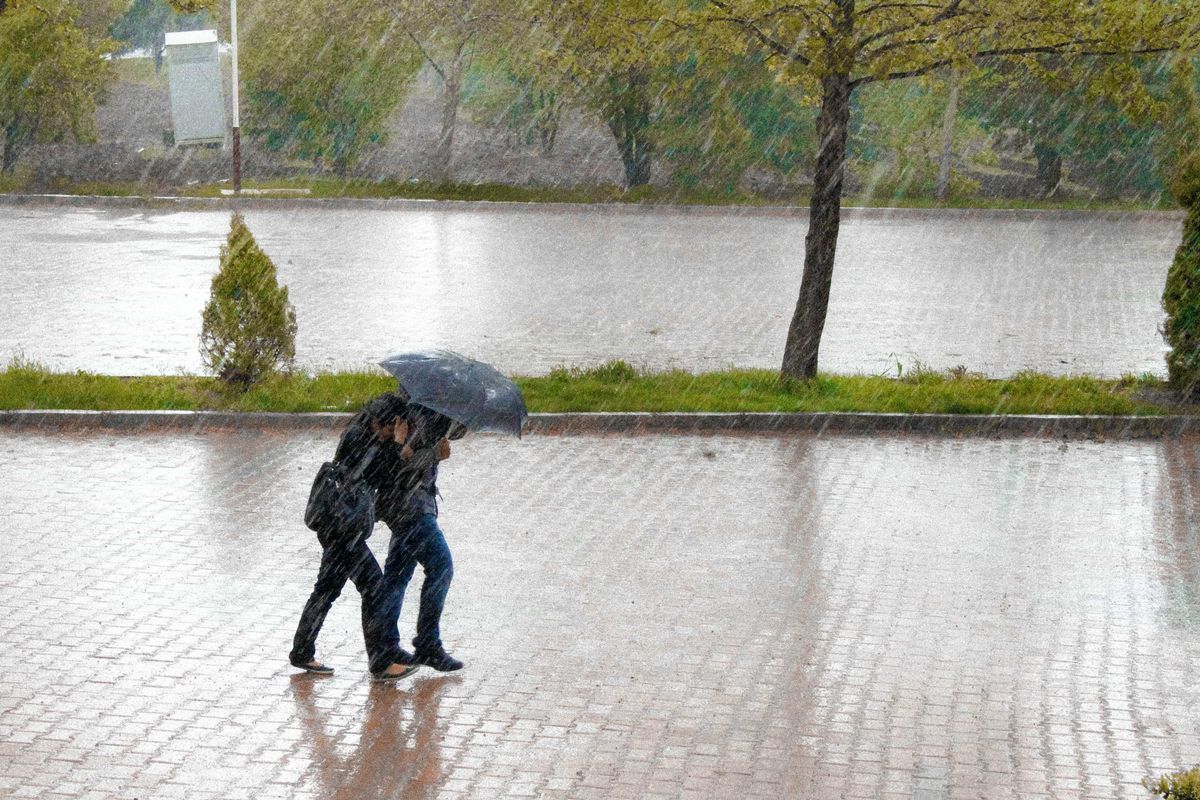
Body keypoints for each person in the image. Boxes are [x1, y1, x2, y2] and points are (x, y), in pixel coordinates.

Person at [289, 393, 417, 681]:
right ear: (391, 422)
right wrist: (398, 447)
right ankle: (381, 661)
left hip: (336, 525)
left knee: (327, 589)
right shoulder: (365, 441)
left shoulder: (361, 432)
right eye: (398, 425)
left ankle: (302, 650)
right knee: (374, 588)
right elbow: (387, 477)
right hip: (343, 529)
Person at [376, 403, 466, 672]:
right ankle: (426, 643)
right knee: (441, 566)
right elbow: (400, 466)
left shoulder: (433, 408)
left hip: (410, 505)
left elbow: (457, 431)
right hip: (410, 508)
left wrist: (460, 414)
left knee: (397, 575)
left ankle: (386, 645)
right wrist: (434, 454)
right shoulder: (412, 413)